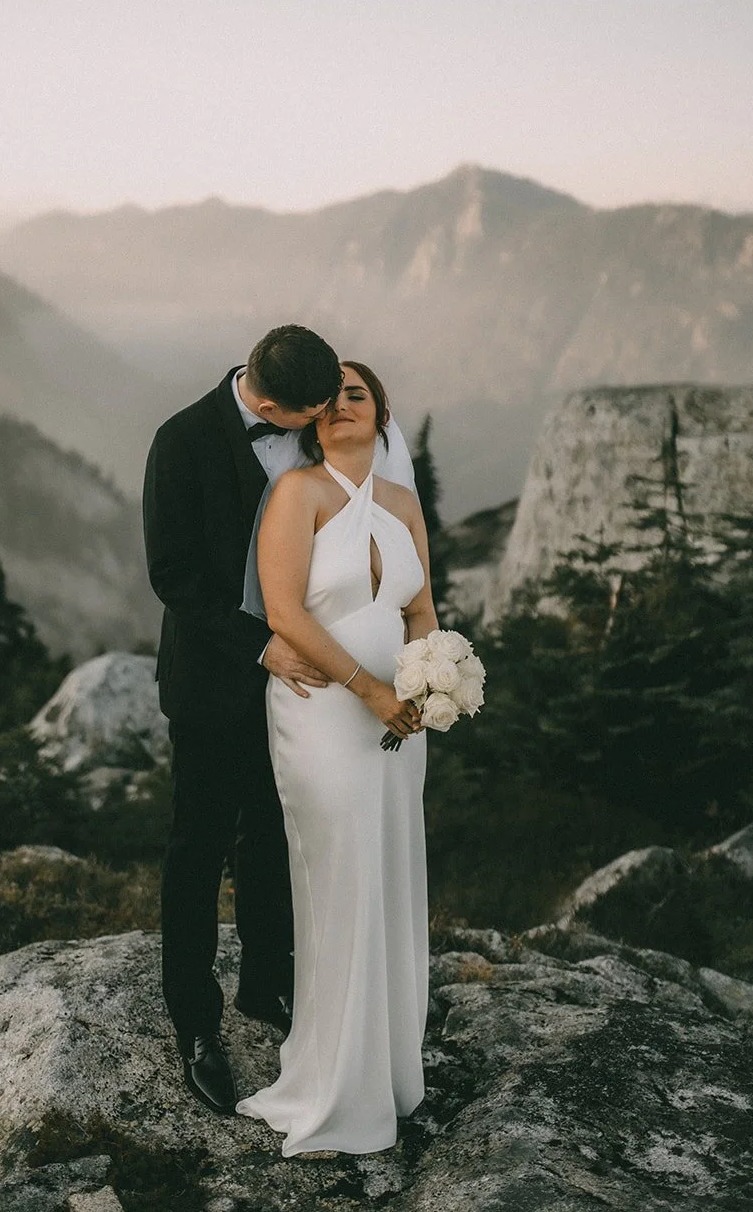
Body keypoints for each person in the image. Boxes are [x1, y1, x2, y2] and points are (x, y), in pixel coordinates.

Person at [236, 361, 437, 1157]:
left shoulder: (403, 504)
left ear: (382, 413)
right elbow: (282, 610)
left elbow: (419, 606)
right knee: (340, 874)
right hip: (322, 711)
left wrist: (429, 679)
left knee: (387, 871)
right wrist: (369, 689)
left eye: (357, 394)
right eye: (329, 400)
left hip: (397, 720)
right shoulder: (299, 494)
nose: (340, 407)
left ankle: (387, 1072)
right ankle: (332, 1082)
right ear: (310, 420)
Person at [143, 324, 341, 1115]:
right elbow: (174, 577)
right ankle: (194, 1022)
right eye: (306, 415)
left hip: (300, 688)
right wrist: (264, 649)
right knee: (197, 847)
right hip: (212, 683)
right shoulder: (181, 440)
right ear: (265, 402)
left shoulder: (312, 425)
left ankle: (266, 987)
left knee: (273, 835)